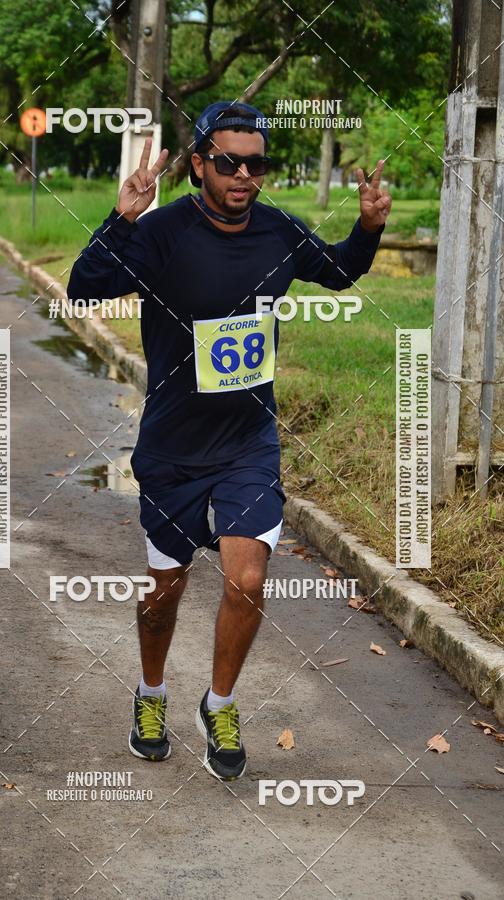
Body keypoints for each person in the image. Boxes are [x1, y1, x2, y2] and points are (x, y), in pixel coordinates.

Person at [67, 101, 392, 781]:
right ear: (199, 166)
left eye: (256, 163)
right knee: (165, 591)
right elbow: (85, 287)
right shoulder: (160, 234)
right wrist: (123, 216)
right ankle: (152, 692)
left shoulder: (276, 230)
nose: (244, 174)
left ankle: (219, 704)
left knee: (247, 580)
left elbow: (336, 271)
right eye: (229, 161)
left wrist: (367, 229)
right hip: (173, 446)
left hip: (248, 442)